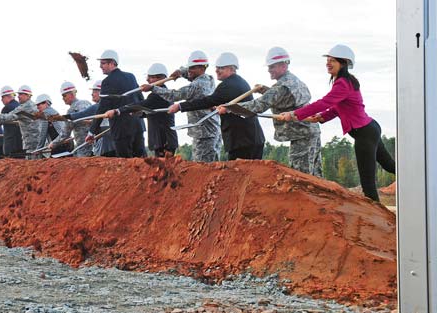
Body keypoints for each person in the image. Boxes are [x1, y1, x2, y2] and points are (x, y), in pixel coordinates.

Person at [276, 44, 395, 201]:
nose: (328, 63)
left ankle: (378, 222)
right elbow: (338, 108)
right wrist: (322, 117)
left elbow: (324, 102)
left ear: (344, 63)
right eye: (328, 60)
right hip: (369, 129)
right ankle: (418, 173)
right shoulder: (345, 81)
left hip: (365, 134)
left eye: (332, 60)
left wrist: (293, 114)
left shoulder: (343, 83)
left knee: (368, 184)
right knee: (389, 166)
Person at [219, 47, 322, 175]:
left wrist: (228, 108)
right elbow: (285, 100)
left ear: (283, 65)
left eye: (272, 67)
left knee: (301, 175)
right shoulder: (292, 81)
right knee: (316, 175)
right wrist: (265, 90)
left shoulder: (282, 87)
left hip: (302, 134)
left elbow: (259, 105)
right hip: (310, 131)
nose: (269, 70)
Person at [169, 53, 265, 160]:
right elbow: (226, 103)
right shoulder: (239, 82)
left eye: (221, 68)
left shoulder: (228, 85)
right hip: (251, 139)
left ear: (231, 69)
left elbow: (208, 101)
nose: (217, 70)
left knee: (238, 175)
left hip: (243, 142)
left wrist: (180, 106)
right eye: (217, 68)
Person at [142, 50, 219, 162]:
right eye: (189, 68)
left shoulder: (197, 85)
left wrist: (153, 88)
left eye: (192, 68)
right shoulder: (209, 79)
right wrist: (180, 71)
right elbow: (190, 74)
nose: (189, 71)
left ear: (202, 68)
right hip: (209, 131)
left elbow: (175, 95)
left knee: (202, 166)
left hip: (204, 133)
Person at [110, 63, 178, 157]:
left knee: (163, 169)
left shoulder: (158, 95)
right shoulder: (164, 93)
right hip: (165, 140)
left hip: (163, 141)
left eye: (150, 77)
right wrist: (140, 113)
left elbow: (140, 104)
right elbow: (156, 113)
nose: (147, 80)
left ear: (159, 78)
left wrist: (118, 110)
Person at [86, 49, 145, 158]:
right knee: (142, 163)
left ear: (112, 63)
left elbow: (102, 108)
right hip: (138, 126)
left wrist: (91, 132)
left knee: (125, 164)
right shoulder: (131, 76)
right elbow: (140, 99)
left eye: (103, 63)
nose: (100, 66)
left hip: (122, 130)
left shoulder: (107, 82)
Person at [0, 85, 41, 156]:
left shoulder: (24, 107)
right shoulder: (34, 106)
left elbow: (7, 117)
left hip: (30, 143)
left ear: (28, 95)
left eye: (21, 94)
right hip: (36, 142)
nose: (18, 96)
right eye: (18, 94)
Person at [51, 82, 93, 157]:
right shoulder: (87, 103)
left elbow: (65, 133)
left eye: (64, 95)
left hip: (83, 146)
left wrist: (53, 143)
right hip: (94, 144)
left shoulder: (71, 111)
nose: (63, 98)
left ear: (71, 94)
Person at [0, 86, 24, 158]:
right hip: (21, 144)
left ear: (7, 96)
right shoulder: (20, 106)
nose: (1, 100)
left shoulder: (7, 108)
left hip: (11, 145)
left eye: (2, 97)